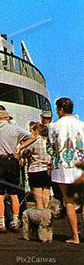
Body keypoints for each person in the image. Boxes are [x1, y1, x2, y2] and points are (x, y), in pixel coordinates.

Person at [0, 109, 35, 233]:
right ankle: (15, 220)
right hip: (12, 159)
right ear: (7, 118)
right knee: (14, 193)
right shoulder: (15, 129)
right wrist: (20, 147)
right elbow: (32, 137)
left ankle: (1, 222)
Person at [48, 97, 84, 244]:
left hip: (62, 167)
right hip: (80, 165)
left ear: (60, 109)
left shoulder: (53, 126)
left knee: (68, 201)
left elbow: (50, 148)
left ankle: (75, 236)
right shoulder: (81, 125)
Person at [21, 123, 51, 209]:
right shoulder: (47, 141)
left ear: (36, 132)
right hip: (47, 170)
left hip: (35, 170)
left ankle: (40, 218)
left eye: (31, 131)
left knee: (38, 201)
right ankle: (47, 217)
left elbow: (26, 153)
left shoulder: (33, 142)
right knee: (46, 198)